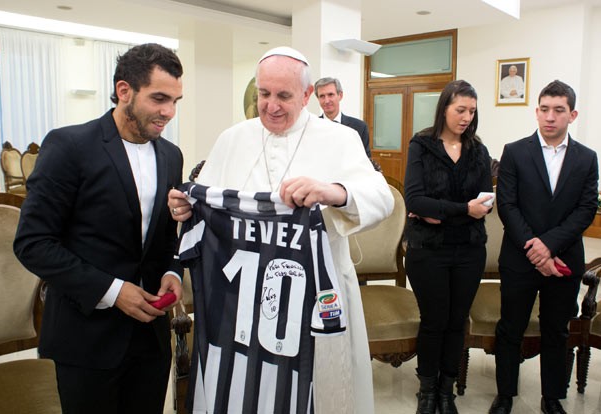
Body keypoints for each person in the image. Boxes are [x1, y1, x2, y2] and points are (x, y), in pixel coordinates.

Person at [168, 46, 393, 414]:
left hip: (317, 293)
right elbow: (202, 207)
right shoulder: (232, 139)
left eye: (284, 96)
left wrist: (332, 192)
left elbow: (382, 200)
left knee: (316, 394)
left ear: (307, 96)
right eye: (264, 94)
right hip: (243, 300)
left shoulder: (339, 139)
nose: (271, 106)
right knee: (246, 389)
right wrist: (183, 207)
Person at [13, 43, 185, 414]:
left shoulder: (171, 155)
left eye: (175, 101)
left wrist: (173, 269)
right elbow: (32, 243)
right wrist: (112, 291)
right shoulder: (69, 145)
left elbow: (166, 235)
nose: (168, 112)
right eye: (158, 98)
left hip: (150, 339)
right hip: (86, 336)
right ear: (124, 91)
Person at [489, 80, 598, 414]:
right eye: (544, 109)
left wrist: (548, 246)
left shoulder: (586, 158)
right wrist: (533, 249)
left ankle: (552, 398)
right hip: (519, 257)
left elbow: (585, 209)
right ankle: (505, 394)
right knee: (511, 327)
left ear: (572, 114)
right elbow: (507, 205)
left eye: (559, 110)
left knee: (557, 330)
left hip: (565, 259)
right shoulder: (515, 151)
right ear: (536, 111)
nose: (550, 117)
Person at [404, 80, 493, 414]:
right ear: (444, 108)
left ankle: (446, 390)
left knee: (457, 322)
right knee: (433, 320)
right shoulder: (422, 146)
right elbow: (414, 199)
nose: (466, 117)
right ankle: (426, 391)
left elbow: (484, 202)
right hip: (428, 250)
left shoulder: (478, 151)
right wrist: (462, 210)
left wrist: (438, 211)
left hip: (469, 250)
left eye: (472, 111)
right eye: (460, 110)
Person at [314, 77, 372, 158]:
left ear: (340, 95)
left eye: (330, 95)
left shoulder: (359, 127)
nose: (326, 101)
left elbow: (366, 161)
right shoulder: (312, 127)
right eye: (322, 96)